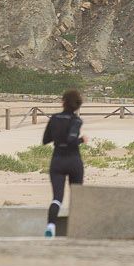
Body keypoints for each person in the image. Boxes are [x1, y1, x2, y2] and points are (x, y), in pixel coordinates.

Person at [41, 88, 86, 237]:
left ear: (63, 102)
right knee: (77, 197)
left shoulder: (54, 118)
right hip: (73, 161)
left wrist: (57, 134)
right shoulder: (76, 120)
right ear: (77, 105)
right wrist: (81, 140)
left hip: (58, 160)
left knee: (57, 198)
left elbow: (45, 140)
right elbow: (71, 140)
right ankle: (78, 229)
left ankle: (51, 226)